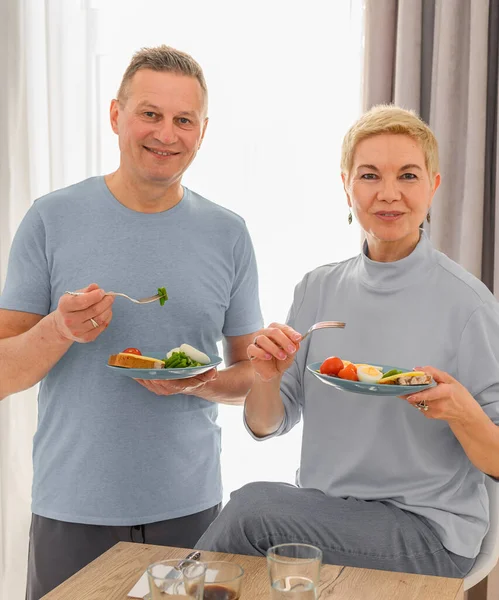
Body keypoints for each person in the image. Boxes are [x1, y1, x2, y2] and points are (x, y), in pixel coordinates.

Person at [0, 45, 263, 599]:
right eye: (150, 114)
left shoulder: (229, 234)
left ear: (202, 131)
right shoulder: (50, 219)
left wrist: (202, 382)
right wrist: (58, 330)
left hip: (190, 512)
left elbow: (251, 373)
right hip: (71, 512)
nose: (166, 134)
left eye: (183, 120)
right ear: (116, 115)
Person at [196, 105, 499, 578]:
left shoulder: (469, 305)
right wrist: (266, 377)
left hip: (426, 532)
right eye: (370, 175)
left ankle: (172, 587)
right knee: (252, 526)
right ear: (346, 185)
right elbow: (265, 425)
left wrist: (461, 410)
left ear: (433, 187)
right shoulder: (317, 289)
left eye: (408, 176)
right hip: (327, 516)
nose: (389, 193)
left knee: (251, 510)